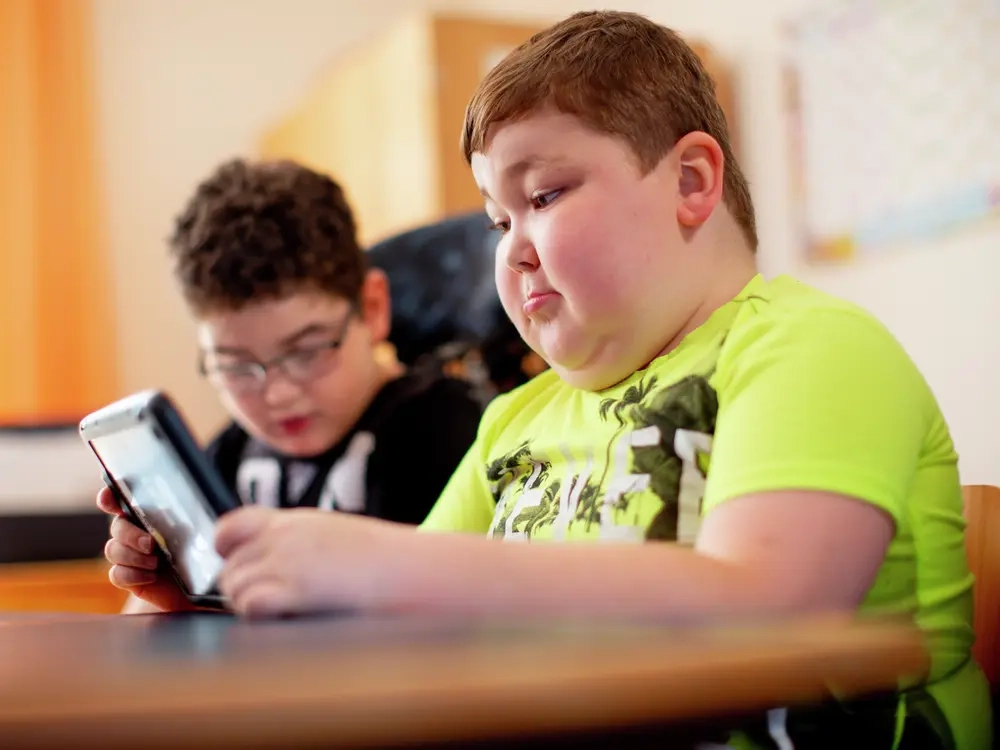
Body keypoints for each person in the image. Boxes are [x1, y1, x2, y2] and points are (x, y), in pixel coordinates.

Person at [100, 11, 990, 748]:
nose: (512, 250)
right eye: (497, 219)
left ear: (690, 181)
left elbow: (768, 607)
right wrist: (202, 597)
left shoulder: (807, 347)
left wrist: (380, 564)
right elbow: (379, 647)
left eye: (546, 196)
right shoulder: (516, 420)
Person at [101, 158, 483, 613]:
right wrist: (174, 598)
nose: (278, 395)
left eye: (306, 352)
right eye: (236, 366)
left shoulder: (443, 431)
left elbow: (444, 617)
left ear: (373, 308)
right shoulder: (229, 456)